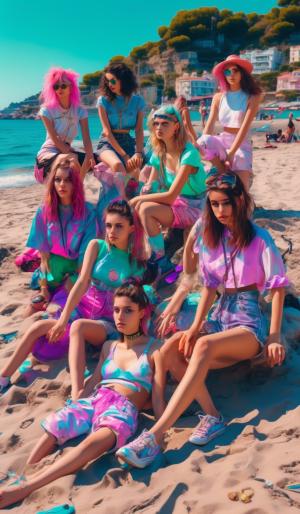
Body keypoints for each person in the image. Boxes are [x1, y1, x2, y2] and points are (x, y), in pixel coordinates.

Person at [116, 171, 289, 468]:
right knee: (170, 348)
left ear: (239, 201)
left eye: (226, 203)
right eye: (214, 205)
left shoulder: (260, 238)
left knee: (203, 347)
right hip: (219, 314)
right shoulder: (212, 236)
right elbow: (209, 286)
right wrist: (194, 327)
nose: (220, 211)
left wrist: (274, 336)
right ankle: (213, 416)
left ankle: (155, 437)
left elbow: (277, 287)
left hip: (248, 323)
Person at [0, 282, 165, 509]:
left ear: (142, 313)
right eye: (116, 310)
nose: (120, 316)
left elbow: (157, 395)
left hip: (123, 409)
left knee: (89, 445)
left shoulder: (155, 349)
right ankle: (26, 472)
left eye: (128, 310)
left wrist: (160, 431)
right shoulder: (110, 346)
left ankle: (27, 487)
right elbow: (95, 380)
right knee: (55, 426)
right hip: (97, 398)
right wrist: (76, 403)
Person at [0, 200, 149, 393]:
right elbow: (81, 283)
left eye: (119, 226)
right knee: (39, 327)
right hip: (81, 310)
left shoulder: (135, 263)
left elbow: (132, 303)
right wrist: (63, 319)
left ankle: (77, 393)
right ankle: (3, 378)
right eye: (109, 225)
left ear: (131, 228)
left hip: (105, 323)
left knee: (78, 327)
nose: (112, 231)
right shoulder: (97, 246)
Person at [130, 104, 207, 273]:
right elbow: (153, 184)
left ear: (176, 126)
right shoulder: (160, 152)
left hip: (198, 207)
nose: (159, 127)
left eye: (165, 124)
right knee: (141, 207)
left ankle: (159, 257)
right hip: (180, 204)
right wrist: (147, 188)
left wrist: (138, 198)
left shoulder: (188, 153)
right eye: (156, 124)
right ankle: (156, 256)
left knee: (144, 207)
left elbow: (171, 196)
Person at [24, 155, 96, 316]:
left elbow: (85, 258)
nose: (62, 184)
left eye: (68, 180)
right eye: (58, 179)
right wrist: (44, 289)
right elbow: (44, 257)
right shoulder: (44, 211)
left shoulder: (88, 212)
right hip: (50, 274)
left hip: (76, 275)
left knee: (55, 310)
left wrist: (70, 283)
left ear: (75, 182)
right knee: (33, 308)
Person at [197, 55, 263, 191]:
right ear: (223, 75)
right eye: (227, 71)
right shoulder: (218, 97)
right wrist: (201, 146)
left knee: (242, 194)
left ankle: (237, 180)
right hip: (222, 141)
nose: (231, 74)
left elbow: (244, 129)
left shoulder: (252, 97)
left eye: (235, 70)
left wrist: (231, 153)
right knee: (203, 141)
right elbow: (209, 127)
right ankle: (218, 172)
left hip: (241, 144)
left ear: (242, 73)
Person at [35, 67, 95, 183]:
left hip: (66, 150)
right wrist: (71, 154)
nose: (59, 89)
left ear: (71, 87)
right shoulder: (46, 111)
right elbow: (55, 139)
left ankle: (79, 187)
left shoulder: (80, 111)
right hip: (49, 152)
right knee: (71, 159)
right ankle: (79, 187)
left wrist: (90, 156)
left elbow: (86, 139)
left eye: (63, 86)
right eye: (55, 86)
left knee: (98, 160)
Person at [96, 62, 145, 178]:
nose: (109, 84)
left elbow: (139, 130)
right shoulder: (103, 101)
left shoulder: (138, 101)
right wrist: (124, 156)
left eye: (113, 81)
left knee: (137, 169)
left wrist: (138, 152)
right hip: (107, 143)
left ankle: (130, 195)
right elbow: (107, 132)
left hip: (128, 142)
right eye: (107, 81)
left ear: (123, 80)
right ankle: (120, 196)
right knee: (118, 165)